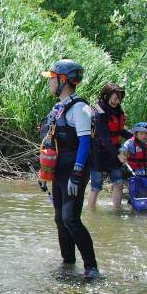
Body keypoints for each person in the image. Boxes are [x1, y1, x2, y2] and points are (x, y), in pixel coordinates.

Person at [39, 59, 99, 279]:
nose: (50, 83)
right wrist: (44, 173)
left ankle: (91, 267)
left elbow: (85, 142)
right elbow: (50, 142)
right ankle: (68, 262)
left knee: (71, 218)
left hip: (74, 170)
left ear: (62, 80)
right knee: (59, 218)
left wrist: (77, 172)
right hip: (59, 170)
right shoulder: (59, 108)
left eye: (52, 79)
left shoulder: (80, 109)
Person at [88, 84, 131, 207]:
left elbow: (120, 130)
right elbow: (105, 138)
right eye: (115, 99)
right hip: (98, 152)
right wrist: (118, 154)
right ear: (106, 97)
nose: (117, 102)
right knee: (96, 186)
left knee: (118, 183)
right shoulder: (99, 113)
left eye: (119, 99)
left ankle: (116, 210)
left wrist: (136, 137)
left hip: (113, 151)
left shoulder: (117, 110)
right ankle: (91, 212)